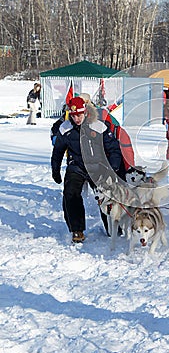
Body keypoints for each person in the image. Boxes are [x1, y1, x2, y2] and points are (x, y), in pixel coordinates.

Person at [51, 96, 123, 243]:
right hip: (76, 166)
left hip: (97, 167)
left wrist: (113, 168)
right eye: (73, 116)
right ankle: (77, 230)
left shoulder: (98, 126)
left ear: (85, 112)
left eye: (79, 115)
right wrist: (55, 170)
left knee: (106, 196)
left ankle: (113, 227)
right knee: (70, 194)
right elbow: (58, 151)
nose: (76, 118)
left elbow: (114, 149)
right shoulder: (65, 128)